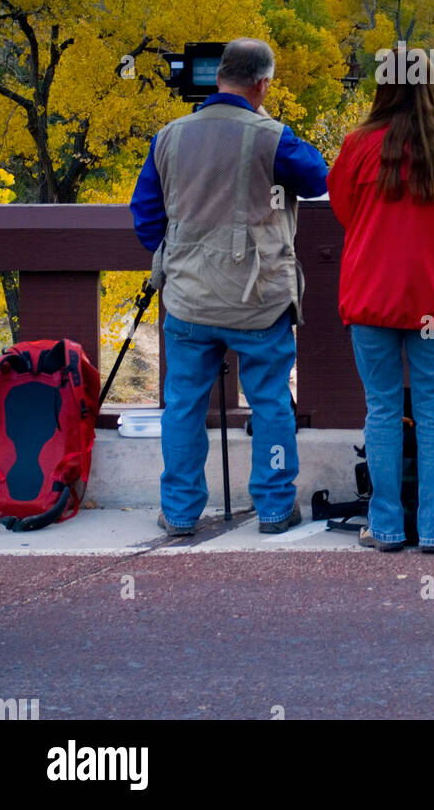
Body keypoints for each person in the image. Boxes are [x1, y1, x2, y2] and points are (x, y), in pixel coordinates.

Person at [130, 37, 328, 536]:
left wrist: (179, 254)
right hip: (258, 300)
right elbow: (318, 176)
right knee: (271, 404)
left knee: (183, 406)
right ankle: (276, 506)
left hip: (188, 299)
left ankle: (179, 511)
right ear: (263, 84)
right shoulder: (272, 137)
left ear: (217, 77)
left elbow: (145, 217)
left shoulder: (169, 136)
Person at [327, 57, 434, 554]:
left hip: (373, 297)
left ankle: (387, 527)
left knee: (382, 409)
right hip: (432, 301)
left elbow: (343, 211)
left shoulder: (356, 146)